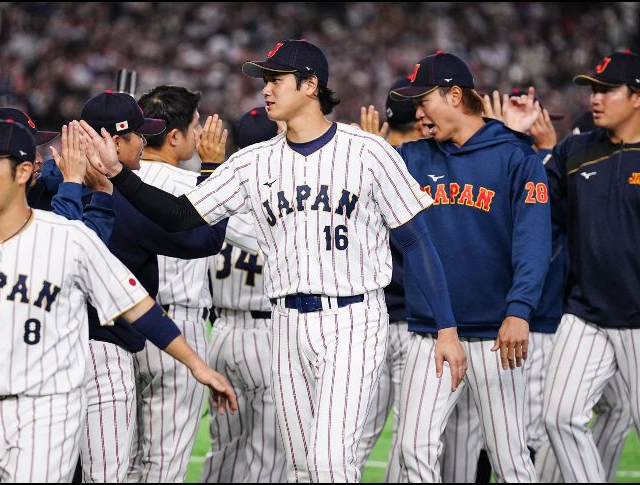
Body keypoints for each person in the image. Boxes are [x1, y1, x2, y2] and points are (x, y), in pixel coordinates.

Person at [79, 39, 463, 483]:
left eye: (276, 79)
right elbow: (182, 216)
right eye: (265, 80)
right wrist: (119, 175)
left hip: (354, 317)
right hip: (284, 323)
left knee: (330, 463)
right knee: (301, 469)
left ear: (310, 85)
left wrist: (446, 328)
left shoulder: (368, 152)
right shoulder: (253, 162)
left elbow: (417, 241)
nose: (265, 89)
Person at [0, 119, 236, 482]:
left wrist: (196, 365)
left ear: (24, 172)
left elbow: (135, 303)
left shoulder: (69, 239)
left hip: (42, 413)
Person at [391, 51, 551, 483]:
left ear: (455, 95)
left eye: (424, 101)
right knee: (412, 447)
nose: (417, 112)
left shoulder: (515, 157)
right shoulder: (414, 159)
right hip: (430, 331)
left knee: (510, 458)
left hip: (496, 334)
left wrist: (519, 309)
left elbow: (533, 241)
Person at [543, 50, 640, 483]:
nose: (594, 99)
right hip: (586, 314)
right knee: (559, 415)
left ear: (639, 96)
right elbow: (538, 208)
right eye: (592, 90)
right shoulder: (575, 151)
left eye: (606, 90)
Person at [129, 85, 228, 483]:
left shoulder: (117, 180)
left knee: (116, 461)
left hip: (125, 325)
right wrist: (215, 171)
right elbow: (256, 236)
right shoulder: (194, 186)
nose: (200, 132)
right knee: (163, 464)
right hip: (180, 329)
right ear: (174, 136)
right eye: (195, 125)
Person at [200, 106, 287, 483]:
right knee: (269, 454)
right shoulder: (279, 201)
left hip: (219, 335)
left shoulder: (215, 196)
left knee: (224, 450)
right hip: (266, 336)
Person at [354, 75, 429, 482]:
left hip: (368, 316)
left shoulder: (360, 160)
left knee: (354, 436)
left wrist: (373, 148)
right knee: (410, 438)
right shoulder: (427, 164)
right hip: (412, 321)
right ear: (421, 119)